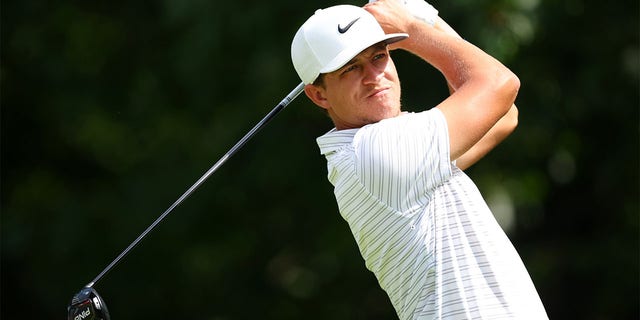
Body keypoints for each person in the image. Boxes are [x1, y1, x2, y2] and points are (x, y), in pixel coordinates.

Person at [290, 1, 548, 319]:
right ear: (319, 95)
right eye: (351, 68)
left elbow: (502, 115)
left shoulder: (378, 151)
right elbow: (499, 84)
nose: (374, 76)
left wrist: (425, 21)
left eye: (379, 56)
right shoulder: (376, 153)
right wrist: (413, 27)